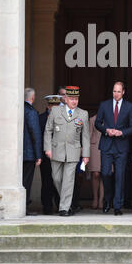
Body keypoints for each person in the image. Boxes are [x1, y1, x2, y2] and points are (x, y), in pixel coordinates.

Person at [44, 86, 90, 216]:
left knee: (68, 180)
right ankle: (67, 203)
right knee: (57, 179)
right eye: (71, 99)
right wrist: (47, 148)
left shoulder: (83, 114)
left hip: (73, 152)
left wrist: (86, 155)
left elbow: (85, 136)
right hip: (56, 150)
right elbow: (48, 130)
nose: (74, 101)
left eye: (76, 99)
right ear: (65, 98)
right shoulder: (56, 111)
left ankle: (64, 208)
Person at [95, 82, 132, 216]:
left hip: (121, 146)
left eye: (118, 91)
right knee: (106, 173)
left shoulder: (130, 107)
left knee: (120, 176)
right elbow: (97, 123)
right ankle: (107, 200)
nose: (116, 94)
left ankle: (117, 206)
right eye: (114, 91)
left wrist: (122, 132)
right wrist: (106, 130)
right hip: (107, 144)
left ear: (123, 92)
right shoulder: (104, 105)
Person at [39, 95, 61, 215]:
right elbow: (38, 138)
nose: (54, 108)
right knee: (47, 182)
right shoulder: (41, 118)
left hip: (60, 155)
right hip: (46, 157)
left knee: (59, 181)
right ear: (48, 106)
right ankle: (47, 207)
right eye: (52, 106)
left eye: (57, 106)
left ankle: (60, 206)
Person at [23, 88, 42, 215]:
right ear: (33, 98)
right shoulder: (31, 112)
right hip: (29, 154)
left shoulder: (19, 109)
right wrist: (38, 155)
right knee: (26, 182)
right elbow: (35, 133)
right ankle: (24, 206)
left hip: (20, 154)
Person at [87, 113, 104, 210]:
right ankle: (95, 198)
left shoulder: (110, 117)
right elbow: (88, 134)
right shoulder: (92, 119)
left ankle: (101, 200)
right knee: (96, 173)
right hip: (94, 148)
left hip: (106, 147)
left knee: (104, 174)